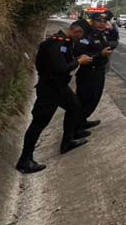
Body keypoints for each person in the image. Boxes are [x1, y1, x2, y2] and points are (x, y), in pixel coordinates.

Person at [16, 22, 94, 173]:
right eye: (81, 36)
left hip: (60, 88)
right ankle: (25, 160)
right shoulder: (55, 44)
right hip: (49, 89)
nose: (80, 39)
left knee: (74, 107)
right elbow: (60, 68)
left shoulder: (65, 42)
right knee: (39, 123)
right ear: (77, 31)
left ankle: (68, 141)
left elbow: (64, 62)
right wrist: (79, 61)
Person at [75, 11, 114, 134]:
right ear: (91, 21)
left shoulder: (101, 35)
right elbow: (79, 54)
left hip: (99, 71)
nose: (102, 24)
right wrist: (100, 55)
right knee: (85, 99)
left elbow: (113, 42)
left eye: (104, 21)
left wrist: (112, 30)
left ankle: (82, 120)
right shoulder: (86, 36)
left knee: (94, 98)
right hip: (88, 72)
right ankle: (76, 128)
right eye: (99, 21)